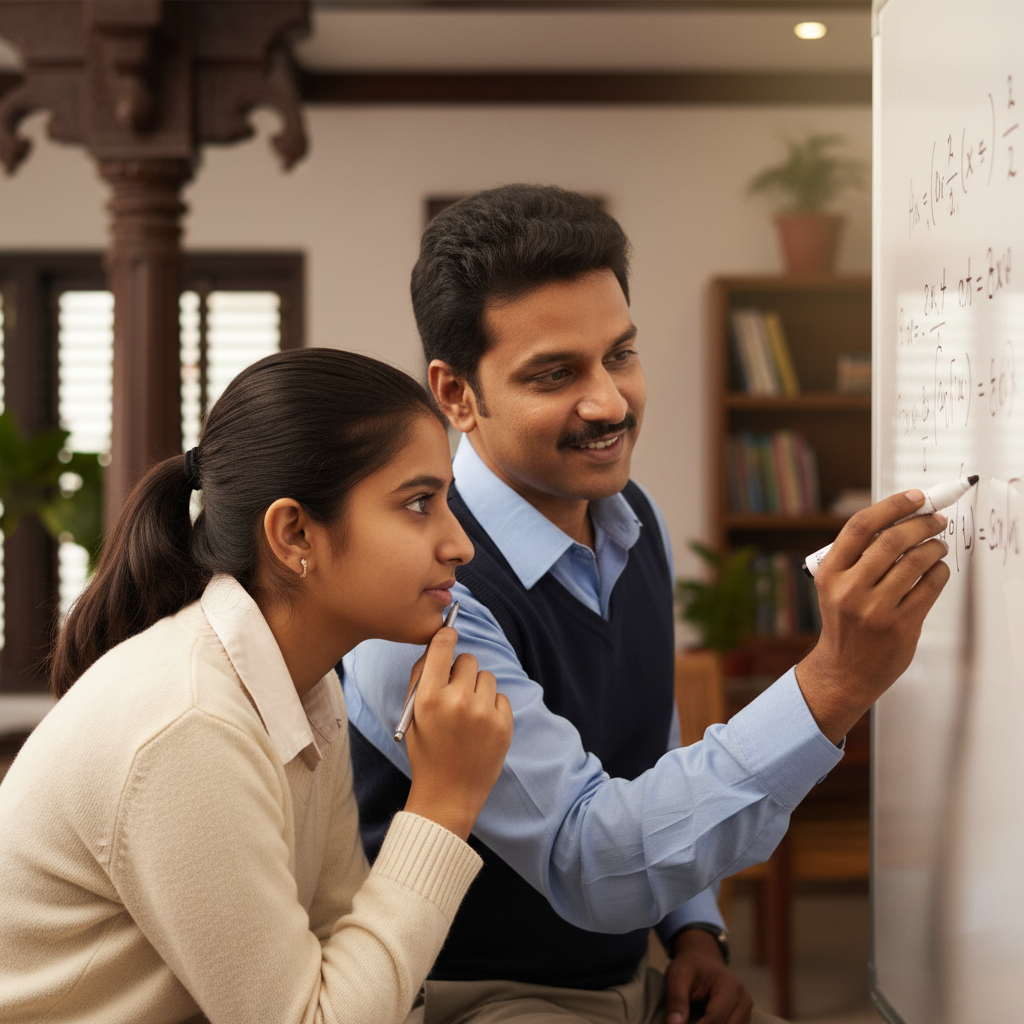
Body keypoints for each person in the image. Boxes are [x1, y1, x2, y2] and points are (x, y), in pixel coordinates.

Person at [341, 185, 950, 1024]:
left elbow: (646, 755)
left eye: (619, 355)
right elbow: (589, 858)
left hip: (633, 976)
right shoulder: (425, 599)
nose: (610, 403)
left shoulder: (636, 521)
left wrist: (696, 931)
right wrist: (835, 683)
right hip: (474, 996)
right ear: (455, 395)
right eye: (555, 374)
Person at [0, 348, 513, 1023]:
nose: (459, 544)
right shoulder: (191, 725)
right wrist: (444, 801)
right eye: (419, 503)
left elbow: (343, 952)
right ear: (294, 532)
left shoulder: (304, 690)